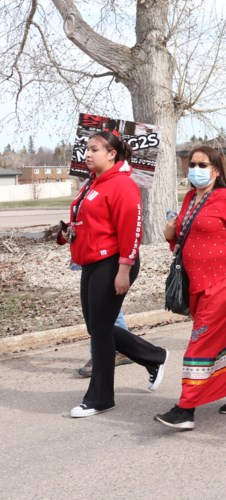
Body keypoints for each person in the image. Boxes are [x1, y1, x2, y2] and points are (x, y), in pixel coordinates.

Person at [153, 146, 226, 430]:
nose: (195, 169)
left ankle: (186, 407)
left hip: (225, 281)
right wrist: (170, 233)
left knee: (201, 339)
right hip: (197, 281)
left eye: (202, 165)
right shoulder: (190, 198)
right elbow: (185, 240)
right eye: (192, 164)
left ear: (217, 170)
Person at [58, 131, 168, 418]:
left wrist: (124, 271)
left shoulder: (122, 185)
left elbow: (132, 231)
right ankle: (154, 356)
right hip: (92, 263)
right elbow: (86, 221)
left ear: (112, 154)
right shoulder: (92, 182)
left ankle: (100, 397)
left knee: (101, 332)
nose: (88, 154)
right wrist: (67, 233)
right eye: (87, 149)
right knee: (97, 327)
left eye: (95, 149)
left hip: (114, 264)